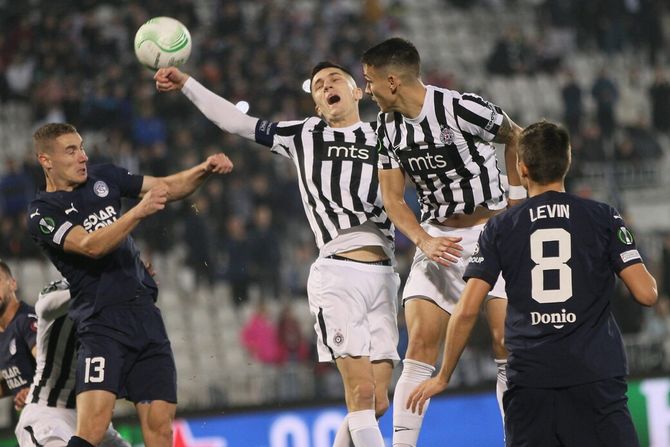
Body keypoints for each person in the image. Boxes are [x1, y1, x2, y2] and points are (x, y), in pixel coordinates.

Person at [155, 61, 400, 447]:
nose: (326, 85)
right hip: (340, 273)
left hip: (386, 274)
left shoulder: (387, 137)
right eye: (318, 85)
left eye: (336, 79)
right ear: (317, 105)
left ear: (357, 92)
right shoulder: (305, 134)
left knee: (379, 401)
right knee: (362, 397)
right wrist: (187, 83)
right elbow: (236, 122)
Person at [408, 121, 658, 446]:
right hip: (595, 374)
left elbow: (467, 310)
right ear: (566, 162)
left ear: (522, 168)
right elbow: (647, 293)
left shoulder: (501, 228)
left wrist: (443, 375)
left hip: (531, 379)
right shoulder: (603, 216)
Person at [27, 122, 234, 447]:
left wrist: (203, 169)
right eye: (71, 150)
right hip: (101, 324)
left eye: (81, 146)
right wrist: (137, 213)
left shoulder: (103, 178)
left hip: (146, 318)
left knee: (161, 431)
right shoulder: (43, 213)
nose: (82, 156)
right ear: (46, 160)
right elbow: (89, 246)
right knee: (92, 430)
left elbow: (167, 185)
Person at [361, 37, 524, 447]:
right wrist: (423, 239)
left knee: (506, 343)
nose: (367, 90)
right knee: (418, 342)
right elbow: (393, 198)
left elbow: (516, 136)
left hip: (493, 232)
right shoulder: (386, 129)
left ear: (393, 81)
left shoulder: (460, 107)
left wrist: (519, 207)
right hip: (439, 239)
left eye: (370, 81)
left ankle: (518, 440)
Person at [16, 278, 128, 447]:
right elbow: (45, 306)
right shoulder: (56, 292)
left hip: (86, 414)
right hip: (48, 414)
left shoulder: (105, 304)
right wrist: (115, 282)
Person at [0, 260, 38, 411]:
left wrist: (33, 390)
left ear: (13, 284)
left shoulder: (26, 320)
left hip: (60, 409)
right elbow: (14, 379)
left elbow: (51, 364)